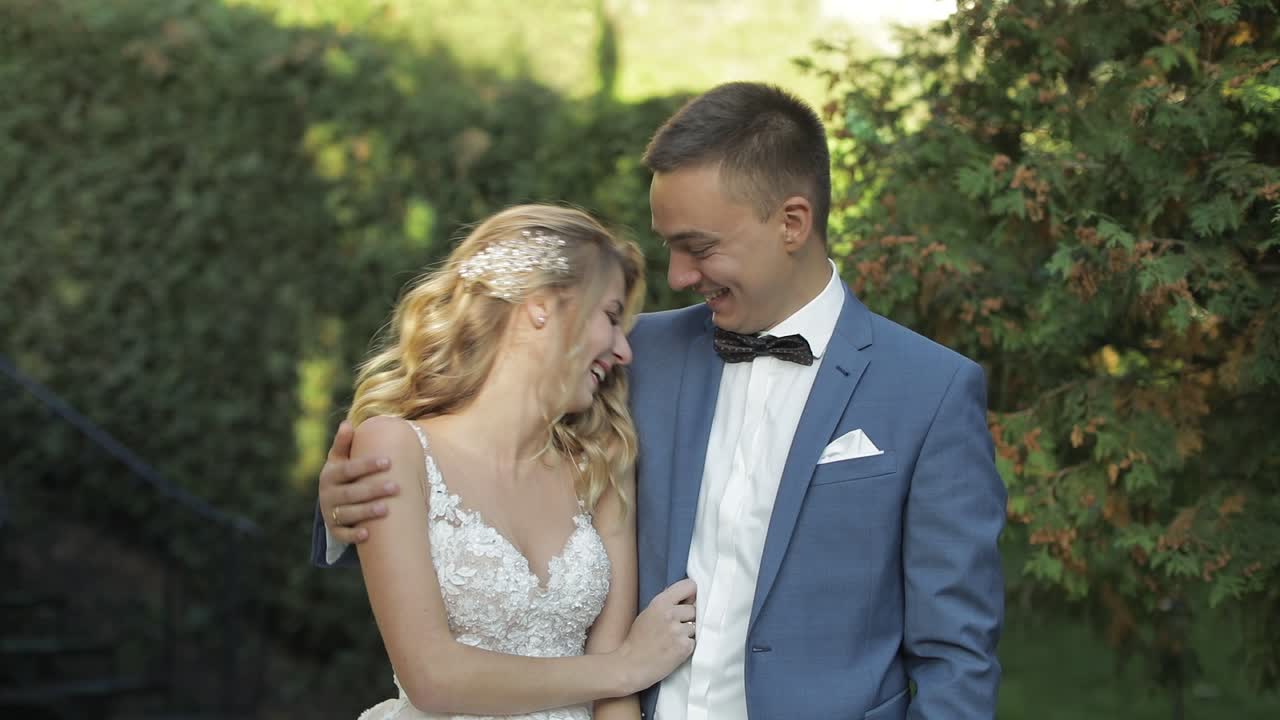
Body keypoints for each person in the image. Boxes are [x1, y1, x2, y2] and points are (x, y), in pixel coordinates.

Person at [317, 83, 1006, 719]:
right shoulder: (630, 357)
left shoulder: (930, 390)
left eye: (696, 247)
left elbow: (956, 655)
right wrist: (345, 509)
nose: (678, 276)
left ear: (792, 222)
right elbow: (483, 454)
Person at [323, 204, 697, 720]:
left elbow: (616, 704)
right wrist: (627, 666)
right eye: (610, 317)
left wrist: (623, 674)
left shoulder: (602, 462)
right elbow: (433, 678)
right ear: (542, 305)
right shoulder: (396, 448)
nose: (623, 350)